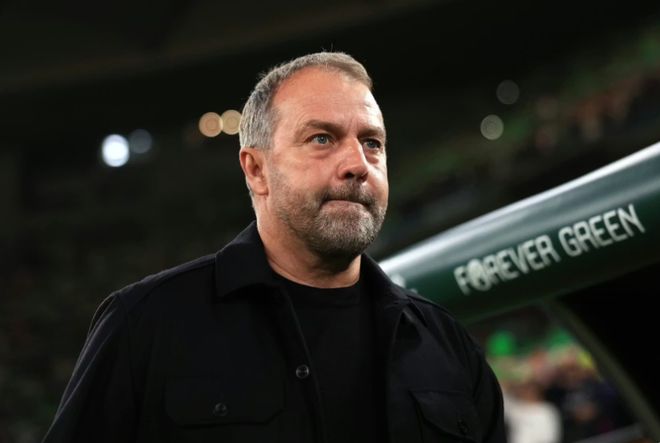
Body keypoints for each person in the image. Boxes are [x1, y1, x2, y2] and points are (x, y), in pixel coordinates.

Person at [42, 52, 506, 443]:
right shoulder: (145, 325)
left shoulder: (446, 342)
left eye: (372, 143)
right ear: (256, 170)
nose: (358, 164)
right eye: (322, 138)